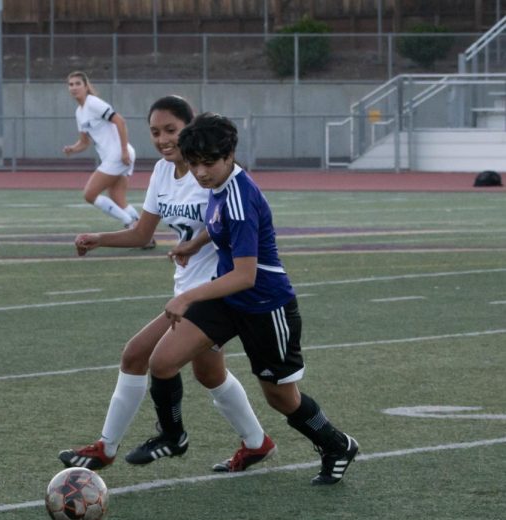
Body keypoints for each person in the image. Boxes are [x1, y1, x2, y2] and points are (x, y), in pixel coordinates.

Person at [131, 112, 359, 485]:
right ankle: (173, 437)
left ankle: (336, 444)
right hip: (229, 299)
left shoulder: (239, 195)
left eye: (208, 163)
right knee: (163, 360)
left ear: (229, 155)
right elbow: (218, 222)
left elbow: (245, 274)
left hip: (266, 307)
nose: (201, 172)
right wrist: (197, 241)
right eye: (195, 164)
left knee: (281, 398)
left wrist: (187, 297)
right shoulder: (219, 185)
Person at [58, 96, 276, 473]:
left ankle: (113, 447)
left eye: (171, 130)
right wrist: (99, 238)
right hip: (186, 288)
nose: (162, 139)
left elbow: (237, 218)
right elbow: (143, 232)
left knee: (138, 355)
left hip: (214, 290)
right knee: (208, 373)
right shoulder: (162, 171)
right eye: (155, 132)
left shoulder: (211, 171)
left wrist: (200, 240)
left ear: (190, 130)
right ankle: (257, 443)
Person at [62, 71, 143, 231]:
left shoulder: (93, 103)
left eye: (78, 83)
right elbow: (84, 142)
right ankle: (143, 233)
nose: (74, 87)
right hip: (116, 156)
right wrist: (72, 148)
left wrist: (124, 150)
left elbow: (120, 121)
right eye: (71, 84)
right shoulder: (80, 112)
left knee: (89, 194)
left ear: (86, 86)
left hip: (118, 155)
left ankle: (131, 225)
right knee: (117, 198)